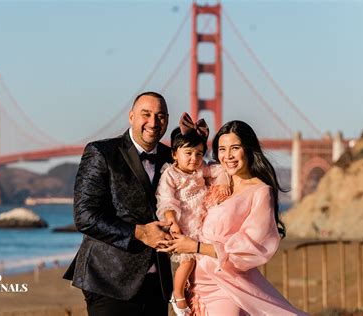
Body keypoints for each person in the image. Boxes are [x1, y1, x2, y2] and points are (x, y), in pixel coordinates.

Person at [157, 120, 308, 315]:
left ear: (248, 149)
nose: (227, 156)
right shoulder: (212, 181)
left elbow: (252, 245)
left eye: (235, 148)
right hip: (195, 286)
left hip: (226, 286)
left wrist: (194, 247)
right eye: (221, 149)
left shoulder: (260, 191)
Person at [63, 91, 174, 316]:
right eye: (146, 114)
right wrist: (139, 232)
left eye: (160, 116)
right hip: (108, 281)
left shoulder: (173, 157)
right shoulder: (101, 152)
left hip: (158, 284)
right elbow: (84, 216)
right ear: (131, 116)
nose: (153, 122)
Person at [155, 113, 231, 316]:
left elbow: (218, 169)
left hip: (201, 220)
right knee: (188, 260)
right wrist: (172, 222)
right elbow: (166, 200)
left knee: (199, 262)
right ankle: (177, 295)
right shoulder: (170, 174)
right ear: (174, 154)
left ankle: (191, 292)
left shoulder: (201, 169)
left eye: (199, 154)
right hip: (183, 223)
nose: (194, 159)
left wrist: (223, 180)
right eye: (188, 153)